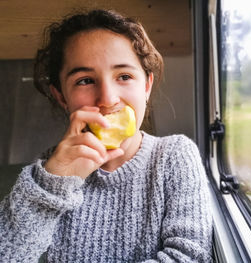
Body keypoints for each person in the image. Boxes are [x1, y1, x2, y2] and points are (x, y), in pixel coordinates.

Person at [0, 9, 213, 262]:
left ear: (146, 86)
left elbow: (189, 256)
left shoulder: (174, 155)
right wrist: (52, 183)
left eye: (124, 76)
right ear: (61, 97)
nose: (108, 99)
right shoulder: (51, 168)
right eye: (85, 81)